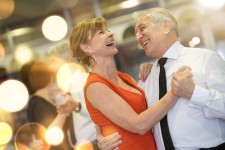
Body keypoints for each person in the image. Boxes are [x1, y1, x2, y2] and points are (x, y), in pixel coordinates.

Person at [97, 7, 225, 150]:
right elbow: (139, 122)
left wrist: (194, 93)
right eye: (136, 33)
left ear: (165, 26)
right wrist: (104, 139)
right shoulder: (148, 77)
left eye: (142, 28)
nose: (138, 37)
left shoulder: (205, 58)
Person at [69, 17, 192, 150]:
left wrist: (152, 74)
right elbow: (138, 125)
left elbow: (149, 110)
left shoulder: (124, 77)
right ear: (86, 47)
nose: (110, 34)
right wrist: (176, 90)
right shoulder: (95, 86)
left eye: (108, 30)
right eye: (101, 33)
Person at [45, 41, 98, 148]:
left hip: (95, 143)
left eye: (54, 61)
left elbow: (101, 111)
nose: (51, 68)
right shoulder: (64, 88)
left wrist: (77, 106)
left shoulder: (87, 80)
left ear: (68, 59)